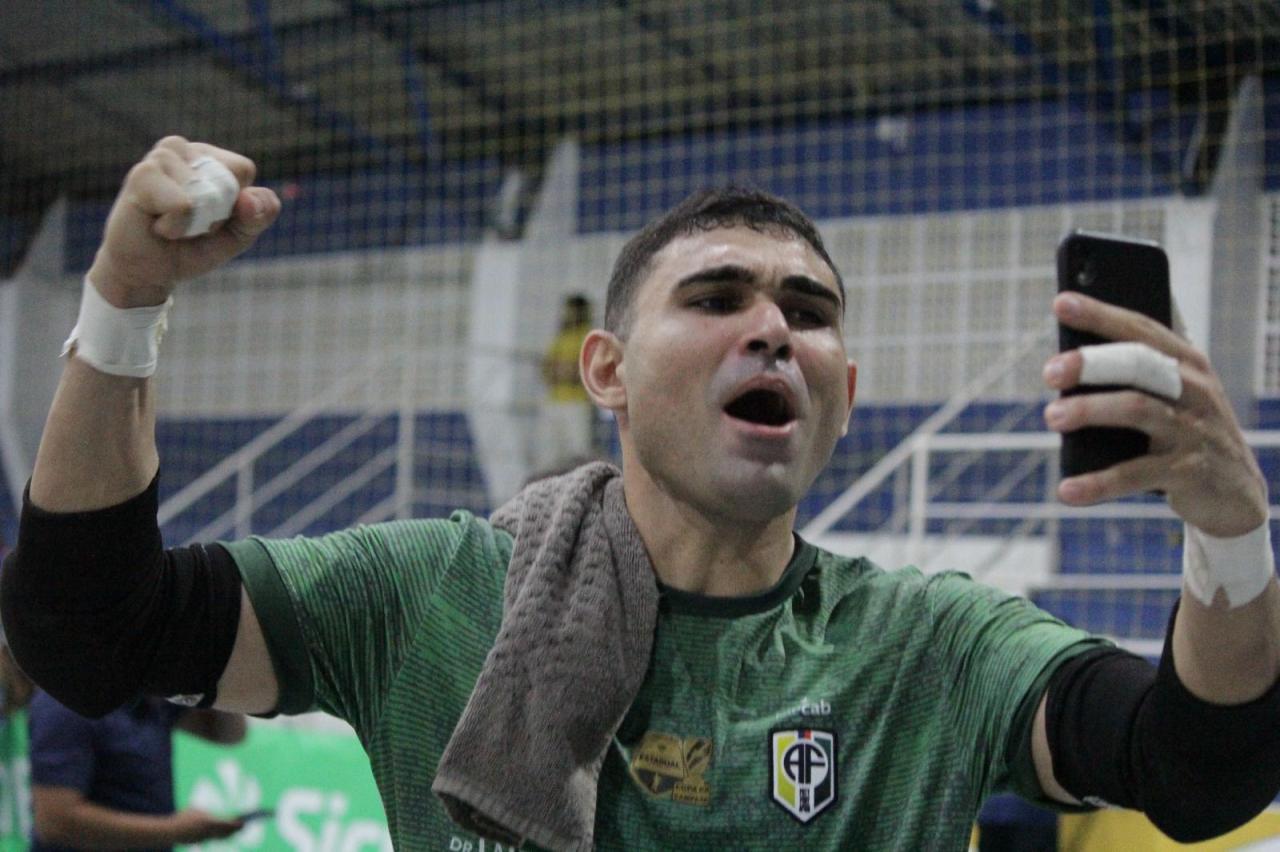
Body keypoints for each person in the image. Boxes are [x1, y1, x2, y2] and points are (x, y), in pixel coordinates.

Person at [2, 136, 1279, 851]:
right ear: (604, 371)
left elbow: (1194, 770)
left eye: (807, 313)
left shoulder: (931, 647)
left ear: (842, 393)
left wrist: (1229, 529)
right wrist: (122, 304)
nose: (770, 328)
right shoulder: (432, 595)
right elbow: (89, 628)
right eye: (717, 298)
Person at [27, 694, 247, 851]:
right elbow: (54, 821)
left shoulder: (149, 698)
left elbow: (229, 734)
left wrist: (214, 675)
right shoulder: (65, 703)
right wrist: (174, 830)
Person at [537, 293, 597, 471]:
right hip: (553, 402)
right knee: (548, 456)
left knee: (578, 455)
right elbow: (546, 369)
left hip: (577, 404)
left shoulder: (588, 337)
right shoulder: (560, 338)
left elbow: (584, 371)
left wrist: (565, 371)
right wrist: (565, 370)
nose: (567, 314)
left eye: (571, 310)